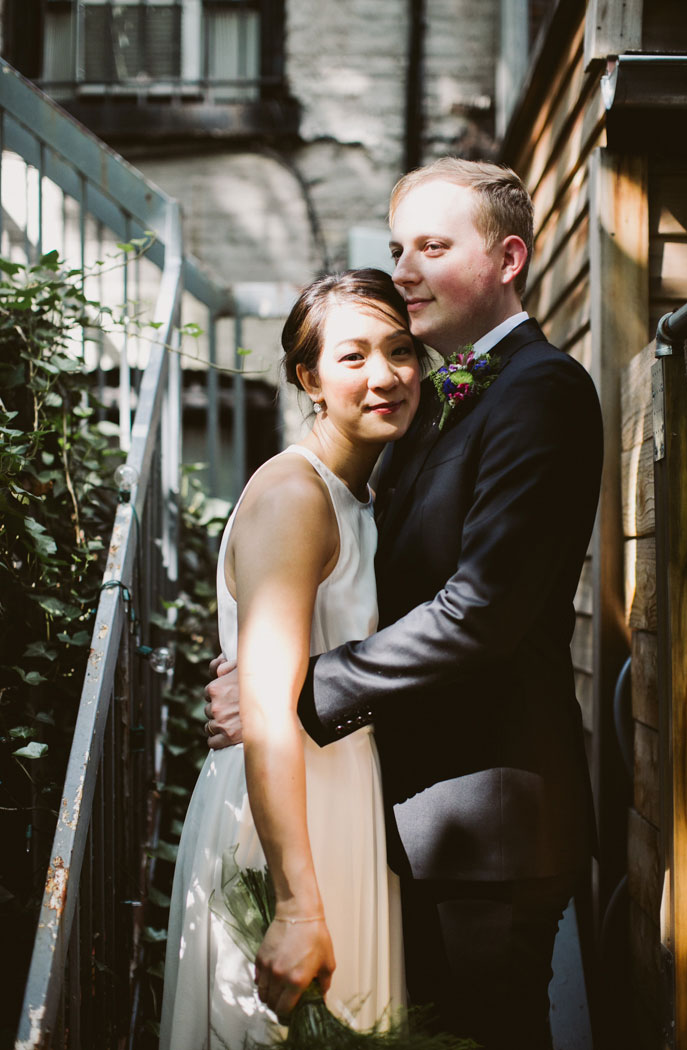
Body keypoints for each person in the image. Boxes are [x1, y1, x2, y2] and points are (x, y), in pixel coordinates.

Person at [205, 158, 604, 1050]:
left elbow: (480, 611)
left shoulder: (542, 392)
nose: (406, 271)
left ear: (508, 259)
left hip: (488, 826)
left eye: (432, 246)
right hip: (411, 820)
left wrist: (296, 692)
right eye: (398, 249)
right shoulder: (439, 402)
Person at [160, 268, 425, 1050]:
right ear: (309, 377)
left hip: (343, 797)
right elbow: (269, 710)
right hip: (290, 825)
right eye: (353, 357)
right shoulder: (295, 497)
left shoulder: (357, 490)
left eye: (401, 350)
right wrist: (296, 905)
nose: (385, 376)